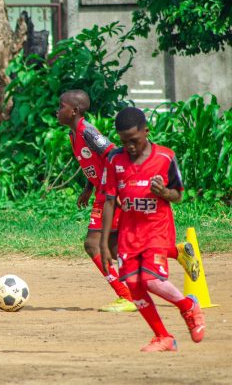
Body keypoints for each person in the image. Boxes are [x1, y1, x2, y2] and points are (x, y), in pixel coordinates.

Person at [57, 91, 199, 313]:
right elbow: (93, 162)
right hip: (102, 191)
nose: (57, 111)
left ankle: (126, 296)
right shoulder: (74, 134)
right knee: (117, 247)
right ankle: (175, 251)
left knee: (92, 244)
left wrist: (119, 185)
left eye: (61, 106)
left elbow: (111, 153)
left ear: (74, 111)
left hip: (108, 193)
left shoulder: (87, 131)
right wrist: (88, 188)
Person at [100, 107, 205, 352]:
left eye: (134, 140)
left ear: (146, 131)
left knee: (151, 281)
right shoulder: (115, 160)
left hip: (157, 229)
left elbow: (178, 195)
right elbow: (109, 201)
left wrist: (164, 192)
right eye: (124, 142)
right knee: (134, 285)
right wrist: (104, 244)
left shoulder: (165, 157)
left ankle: (188, 307)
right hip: (129, 232)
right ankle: (163, 337)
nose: (130, 147)